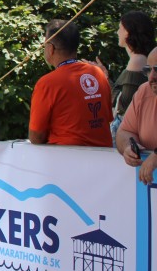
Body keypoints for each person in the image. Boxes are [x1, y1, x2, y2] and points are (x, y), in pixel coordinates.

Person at [29, 19, 113, 146]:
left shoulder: (47, 84)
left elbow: (36, 137)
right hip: (104, 153)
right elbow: (107, 119)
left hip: (67, 155)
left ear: (51, 48)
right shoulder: (98, 73)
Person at [102, 11, 154, 142]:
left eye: (120, 28)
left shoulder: (137, 61)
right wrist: (105, 76)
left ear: (129, 32)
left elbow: (124, 105)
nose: (117, 32)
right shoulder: (139, 59)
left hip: (127, 134)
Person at [116, 46, 157, 184]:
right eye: (148, 70)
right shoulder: (144, 91)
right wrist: (128, 147)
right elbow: (124, 131)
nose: (151, 77)